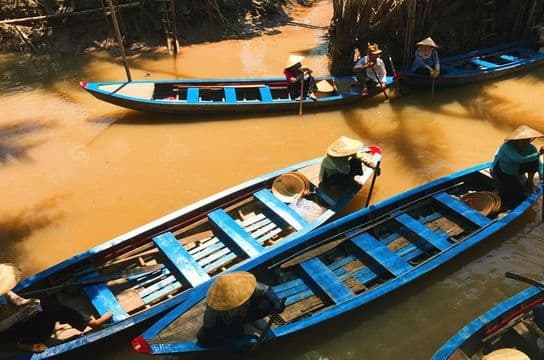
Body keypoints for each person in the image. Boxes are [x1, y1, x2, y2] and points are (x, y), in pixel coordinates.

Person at [0, 263, 112, 353]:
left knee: (46, 304)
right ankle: (23, 344)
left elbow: (14, 298)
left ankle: (90, 323)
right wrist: (27, 311)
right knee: (49, 308)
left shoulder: (3, 289)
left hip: (15, 319)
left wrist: (26, 302)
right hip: (8, 331)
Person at [197, 271, 285, 345]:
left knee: (268, 304)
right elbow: (207, 329)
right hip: (231, 322)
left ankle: (250, 322)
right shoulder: (213, 309)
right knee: (211, 336)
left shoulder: (243, 286)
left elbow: (267, 291)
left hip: (248, 313)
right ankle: (244, 331)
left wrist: (276, 303)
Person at [490, 125, 544, 208]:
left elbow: (538, 162)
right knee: (516, 194)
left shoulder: (530, 148)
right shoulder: (507, 147)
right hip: (502, 170)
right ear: (516, 140)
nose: (525, 142)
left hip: (516, 168)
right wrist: (538, 154)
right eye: (522, 140)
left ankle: (529, 182)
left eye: (527, 140)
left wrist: (542, 175)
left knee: (534, 160)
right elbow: (518, 159)